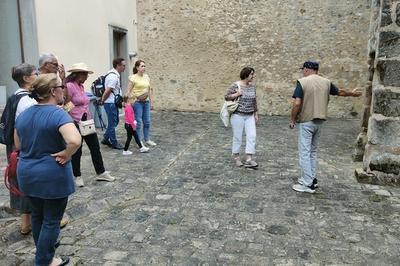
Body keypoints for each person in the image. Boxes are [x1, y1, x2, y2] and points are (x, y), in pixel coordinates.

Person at [14, 73, 81, 266]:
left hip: (27, 173)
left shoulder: (25, 114)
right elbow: (75, 140)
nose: (64, 90)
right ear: (53, 91)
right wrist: (67, 153)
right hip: (51, 174)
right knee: (51, 220)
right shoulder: (57, 113)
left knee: (37, 216)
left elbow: (18, 145)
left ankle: (48, 258)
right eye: (61, 87)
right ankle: (43, 261)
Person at [290, 61, 362, 193]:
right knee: (312, 151)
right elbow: (340, 92)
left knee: (304, 152)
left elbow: (297, 103)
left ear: (307, 69)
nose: (302, 72)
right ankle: (311, 179)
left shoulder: (302, 82)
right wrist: (352, 93)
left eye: (303, 69)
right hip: (320, 122)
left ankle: (307, 184)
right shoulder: (326, 82)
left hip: (306, 121)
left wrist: (293, 119)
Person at [65, 63, 116, 186]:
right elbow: (66, 103)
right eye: (86, 74)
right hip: (76, 122)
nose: (87, 76)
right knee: (77, 150)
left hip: (87, 122)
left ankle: (101, 172)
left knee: (95, 148)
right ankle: (77, 176)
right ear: (79, 74)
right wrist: (73, 114)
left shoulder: (81, 86)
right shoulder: (70, 86)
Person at [38, 52, 70, 228]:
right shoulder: (38, 81)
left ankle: (53, 212)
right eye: (55, 64)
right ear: (45, 65)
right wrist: (68, 152)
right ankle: (51, 216)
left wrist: (62, 80)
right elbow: (74, 141)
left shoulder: (56, 80)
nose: (58, 67)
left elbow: (65, 100)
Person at [6, 63, 38, 235]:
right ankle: (29, 223)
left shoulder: (15, 97)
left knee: (20, 182)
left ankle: (25, 223)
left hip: (14, 148)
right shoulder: (26, 100)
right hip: (23, 148)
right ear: (26, 78)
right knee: (28, 183)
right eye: (35, 73)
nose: (38, 74)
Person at [225, 67, 259, 168]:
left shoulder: (252, 87)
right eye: (251, 74)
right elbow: (226, 96)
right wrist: (237, 94)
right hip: (238, 115)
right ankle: (236, 157)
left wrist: (256, 113)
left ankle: (249, 158)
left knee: (252, 136)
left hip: (250, 116)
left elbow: (254, 101)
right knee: (237, 137)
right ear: (246, 74)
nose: (253, 76)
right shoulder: (236, 85)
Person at [126, 60, 157, 147]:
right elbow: (128, 91)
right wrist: (128, 102)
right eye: (142, 66)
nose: (144, 68)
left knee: (147, 122)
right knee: (138, 122)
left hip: (146, 102)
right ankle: (139, 140)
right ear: (137, 68)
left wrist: (152, 102)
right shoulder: (133, 78)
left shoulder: (147, 77)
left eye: (144, 66)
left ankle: (147, 139)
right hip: (137, 103)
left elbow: (150, 90)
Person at [100, 58, 126, 149]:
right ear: (118, 65)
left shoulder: (114, 75)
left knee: (115, 121)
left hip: (111, 103)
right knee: (112, 123)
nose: (124, 67)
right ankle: (113, 142)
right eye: (123, 65)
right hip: (110, 103)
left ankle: (105, 138)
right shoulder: (113, 76)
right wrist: (103, 100)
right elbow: (108, 91)